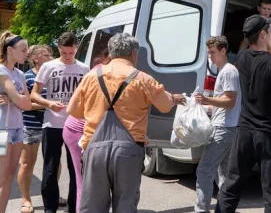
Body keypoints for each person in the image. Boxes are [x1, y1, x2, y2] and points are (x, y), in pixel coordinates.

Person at [66, 33, 186, 213]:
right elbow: (165, 105)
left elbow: (73, 111)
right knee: (126, 203)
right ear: (133, 54)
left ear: (112, 52)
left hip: (94, 147)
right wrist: (174, 98)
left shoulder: (91, 76)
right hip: (129, 150)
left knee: (92, 205)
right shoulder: (143, 78)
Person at [214, 15, 271, 213]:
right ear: (263, 33)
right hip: (268, 135)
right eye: (270, 31)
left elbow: (262, 53)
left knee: (231, 186)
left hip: (243, 133)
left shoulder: (241, 58)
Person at [31, 32, 89, 213]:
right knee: (50, 168)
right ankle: (50, 209)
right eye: (64, 53)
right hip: (52, 124)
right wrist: (49, 103)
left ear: (76, 48)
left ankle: (74, 207)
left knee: (76, 170)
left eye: (71, 53)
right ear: (58, 48)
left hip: (76, 125)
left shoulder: (84, 69)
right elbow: (33, 94)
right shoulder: (48, 66)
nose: (67, 56)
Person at [193, 36, 242, 213]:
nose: (210, 57)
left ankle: (202, 209)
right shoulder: (226, 70)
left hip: (223, 129)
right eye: (208, 53)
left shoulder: (228, 71)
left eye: (213, 52)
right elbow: (225, 103)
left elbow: (230, 101)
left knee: (204, 171)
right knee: (225, 175)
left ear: (223, 51)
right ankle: (225, 209)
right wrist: (201, 106)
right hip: (229, 128)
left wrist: (207, 99)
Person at [62, 47, 110, 213]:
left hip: (88, 130)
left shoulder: (108, 71)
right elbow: (73, 107)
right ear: (107, 57)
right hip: (78, 130)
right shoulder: (98, 72)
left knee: (92, 180)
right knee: (84, 180)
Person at [18, 44, 54, 213]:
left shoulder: (53, 76)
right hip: (30, 125)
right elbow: (23, 104)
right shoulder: (27, 77)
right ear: (36, 59)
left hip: (50, 124)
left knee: (53, 163)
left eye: (51, 54)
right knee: (27, 163)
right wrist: (47, 105)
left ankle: (52, 195)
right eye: (47, 55)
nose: (51, 57)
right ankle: (26, 199)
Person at [0, 31, 32, 213]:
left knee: (9, 176)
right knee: (1, 177)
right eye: (23, 49)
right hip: (2, 130)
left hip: (18, 129)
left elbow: (27, 104)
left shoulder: (19, 73)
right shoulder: (2, 71)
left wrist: (13, 99)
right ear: (10, 50)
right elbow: (22, 101)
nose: (26, 53)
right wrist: (17, 99)